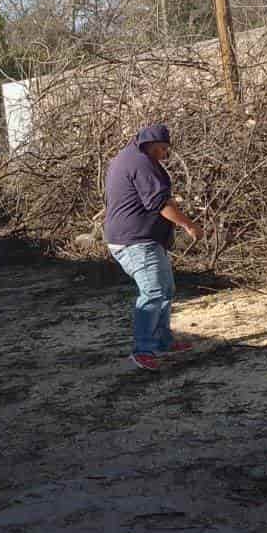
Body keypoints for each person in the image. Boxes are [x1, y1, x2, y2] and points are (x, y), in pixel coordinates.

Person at [103, 123, 203, 371]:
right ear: (151, 145)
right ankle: (144, 350)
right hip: (135, 240)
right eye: (162, 149)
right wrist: (189, 225)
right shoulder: (141, 162)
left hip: (137, 238)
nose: (164, 155)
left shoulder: (128, 157)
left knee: (165, 289)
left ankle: (162, 341)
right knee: (154, 292)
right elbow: (160, 203)